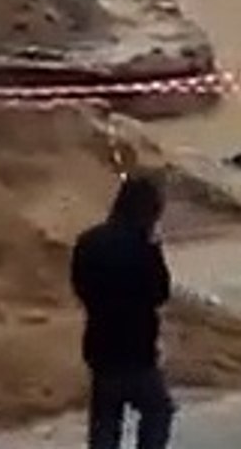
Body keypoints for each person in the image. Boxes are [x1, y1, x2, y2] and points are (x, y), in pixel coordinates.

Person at [71, 171, 175, 449]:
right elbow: (160, 293)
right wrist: (155, 249)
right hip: (137, 348)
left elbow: (80, 287)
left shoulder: (88, 242)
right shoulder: (144, 247)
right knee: (158, 411)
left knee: (105, 420)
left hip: (100, 345)